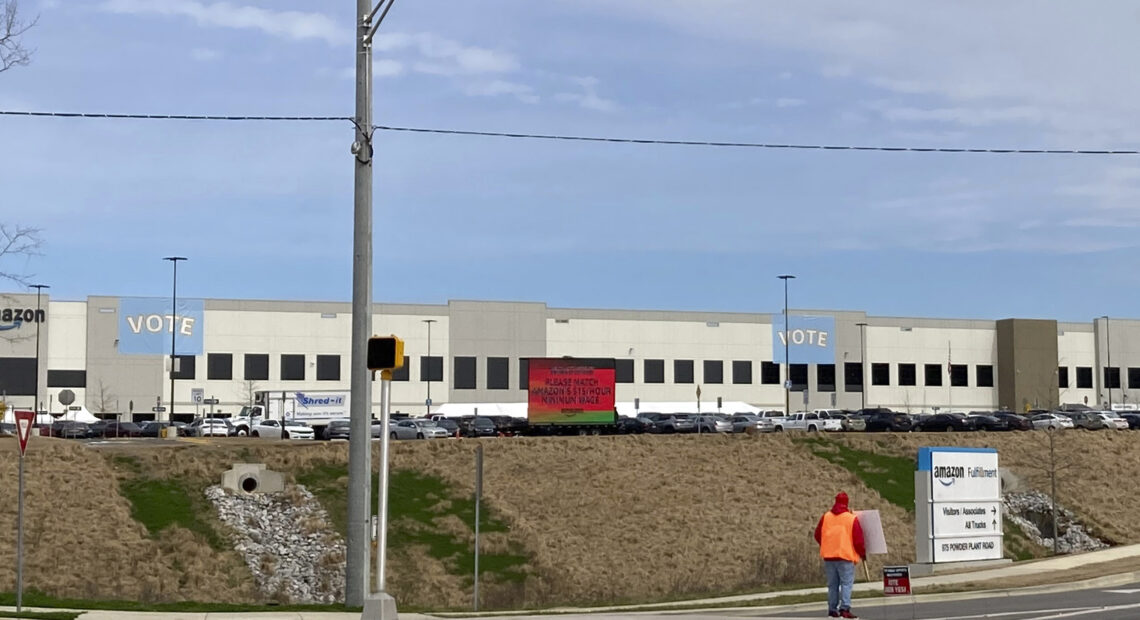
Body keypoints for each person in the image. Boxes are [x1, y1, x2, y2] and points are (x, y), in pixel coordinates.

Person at [814, 491, 865, 619]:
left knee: (833, 585)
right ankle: (845, 609)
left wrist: (827, 544)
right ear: (846, 503)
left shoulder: (826, 516)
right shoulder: (851, 518)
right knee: (846, 584)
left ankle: (832, 610)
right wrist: (862, 553)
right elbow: (858, 540)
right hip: (845, 556)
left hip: (829, 556)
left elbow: (817, 535)